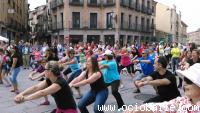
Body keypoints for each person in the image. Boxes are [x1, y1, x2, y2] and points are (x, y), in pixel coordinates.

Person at [124, 63, 200, 113]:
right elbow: (148, 78)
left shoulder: (170, 76)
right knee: (146, 104)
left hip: (169, 97)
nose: (185, 84)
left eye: (189, 81)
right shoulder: (183, 101)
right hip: (164, 98)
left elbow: (161, 81)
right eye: (185, 80)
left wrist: (145, 83)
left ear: (160, 65)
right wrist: (141, 81)